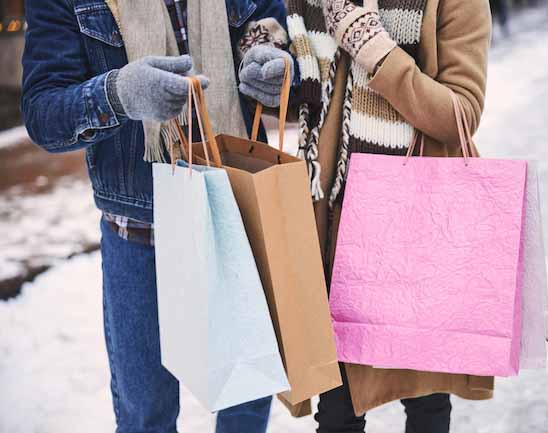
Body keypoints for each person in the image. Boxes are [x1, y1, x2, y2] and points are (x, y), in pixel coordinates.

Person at [21, 0, 292, 432]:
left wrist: (274, 60)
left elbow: (273, 27)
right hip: (138, 236)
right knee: (146, 416)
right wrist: (118, 94)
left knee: (246, 396)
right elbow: (42, 112)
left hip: (237, 212)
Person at [239, 0, 492, 431]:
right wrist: (274, 53)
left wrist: (376, 50)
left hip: (415, 235)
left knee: (427, 403)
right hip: (334, 236)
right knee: (337, 412)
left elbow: (461, 115)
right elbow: (307, 71)